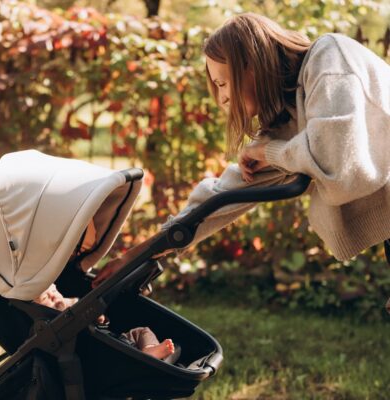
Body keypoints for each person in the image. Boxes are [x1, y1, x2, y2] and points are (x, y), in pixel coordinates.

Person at [92, 13, 390, 297]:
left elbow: (337, 163)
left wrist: (268, 151)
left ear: (251, 65)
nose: (222, 98)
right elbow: (222, 197)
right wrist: (136, 256)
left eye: (222, 83)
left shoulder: (329, 56)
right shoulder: (290, 116)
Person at [34, 284, 176, 360]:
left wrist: (100, 318)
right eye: (46, 297)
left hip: (116, 339)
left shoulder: (73, 304)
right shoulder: (50, 324)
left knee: (142, 331)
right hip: (103, 352)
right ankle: (147, 354)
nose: (53, 296)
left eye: (54, 290)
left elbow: (96, 315)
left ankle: (149, 349)